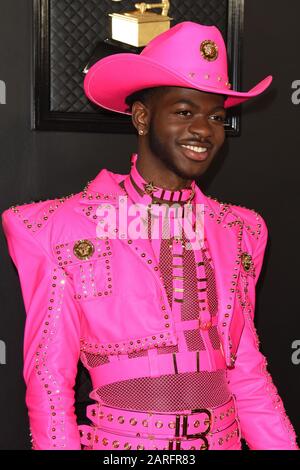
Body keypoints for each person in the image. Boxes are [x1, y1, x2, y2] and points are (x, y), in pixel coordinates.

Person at [2, 21, 299, 451]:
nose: (204, 129)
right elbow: (50, 383)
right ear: (142, 117)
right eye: (184, 111)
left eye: (216, 116)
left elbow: (247, 372)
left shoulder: (237, 231)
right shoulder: (61, 228)